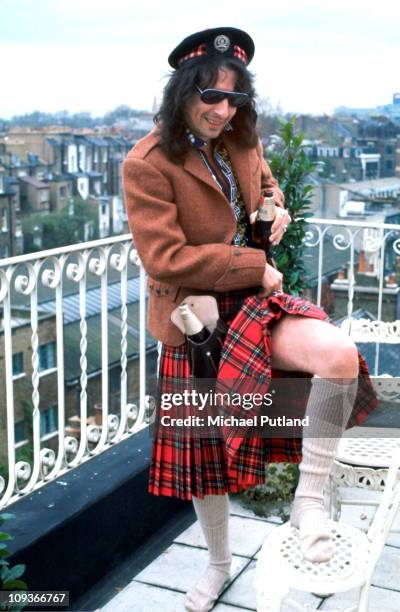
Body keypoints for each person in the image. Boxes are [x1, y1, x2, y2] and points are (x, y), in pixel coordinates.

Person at [123, 27, 377, 612]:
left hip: (254, 304)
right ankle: (217, 564)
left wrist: (276, 209)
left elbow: (267, 186)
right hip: (199, 318)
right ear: (183, 90)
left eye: (233, 98)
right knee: (205, 458)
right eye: (209, 95)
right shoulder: (148, 162)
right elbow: (165, 258)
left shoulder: (242, 138)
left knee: (337, 355)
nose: (220, 109)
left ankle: (307, 502)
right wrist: (253, 263)